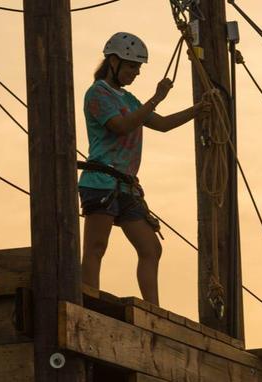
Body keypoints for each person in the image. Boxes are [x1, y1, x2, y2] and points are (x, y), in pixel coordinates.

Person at [79, 32, 207, 306]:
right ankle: (87, 300)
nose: (135, 73)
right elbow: (121, 126)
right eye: (131, 66)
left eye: (137, 68)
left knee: (151, 248)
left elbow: (161, 124)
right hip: (101, 180)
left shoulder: (129, 99)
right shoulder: (97, 93)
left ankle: (153, 310)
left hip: (125, 185)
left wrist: (199, 109)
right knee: (96, 246)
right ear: (113, 62)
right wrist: (156, 97)